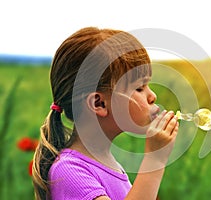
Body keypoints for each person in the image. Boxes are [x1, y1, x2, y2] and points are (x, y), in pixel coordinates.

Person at [32, 27, 179, 200]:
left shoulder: (108, 164)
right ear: (98, 103)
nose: (152, 96)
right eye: (139, 87)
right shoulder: (69, 172)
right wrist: (155, 159)